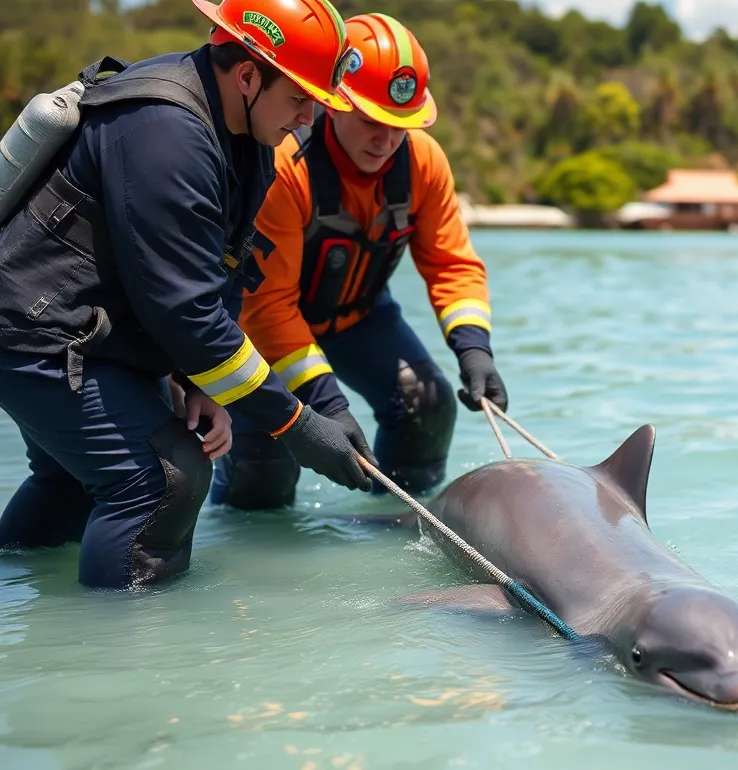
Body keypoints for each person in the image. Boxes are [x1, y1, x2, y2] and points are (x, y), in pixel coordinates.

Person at [0, 0, 376, 590]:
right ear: (248, 74)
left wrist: (200, 384)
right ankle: (124, 667)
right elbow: (187, 314)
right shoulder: (165, 132)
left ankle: (25, 609)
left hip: (86, 330)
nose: (307, 119)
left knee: (74, 481)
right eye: (299, 97)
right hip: (37, 332)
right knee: (160, 481)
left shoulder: (249, 139)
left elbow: (220, 272)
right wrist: (298, 425)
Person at [209, 12, 508, 511]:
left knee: (426, 404)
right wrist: (327, 404)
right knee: (265, 459)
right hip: (261, 330)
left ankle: (395, 533)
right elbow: (267, 308)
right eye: (373, 121)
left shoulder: (424, 162)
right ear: (334, 100)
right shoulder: (285, 164)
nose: (387, 140)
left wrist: (475, 350)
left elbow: (452, 265)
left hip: (359, 318)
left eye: (402, 125)